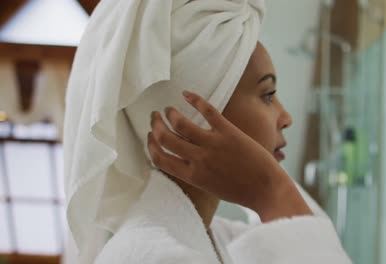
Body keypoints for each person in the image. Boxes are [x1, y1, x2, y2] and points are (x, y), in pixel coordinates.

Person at [63, 0, 351, 263]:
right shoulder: (153, 256)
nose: (286, 117)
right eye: (268, 94)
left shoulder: (217, 236)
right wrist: (270, 192)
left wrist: (270, 188)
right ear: (197, 116)